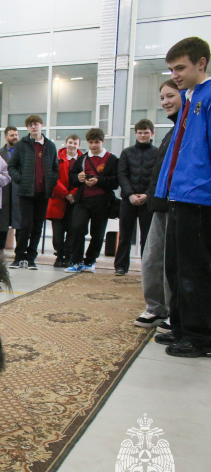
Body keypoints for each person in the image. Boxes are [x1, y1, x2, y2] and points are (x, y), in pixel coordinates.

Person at [153, 36, 211, 357]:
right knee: (175, 267)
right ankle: (181, 326)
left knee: (195, 269)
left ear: (201, 63)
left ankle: (200, 336)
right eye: (171, 69)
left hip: (199, 197)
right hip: (179, 195)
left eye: (180, 68)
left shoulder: (208, 97)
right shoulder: (190, 99)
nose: (174, 75)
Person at [136, 80, 180, 330]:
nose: (165, 102)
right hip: (160, 204)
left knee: (174, 262)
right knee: (152, 258)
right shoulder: (172, 132)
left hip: (180, 204)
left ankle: (176, 311)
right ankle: (156, 308)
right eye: (162, 97)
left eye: (170, 96)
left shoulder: (191, 127)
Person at [7, 115, 59, 270]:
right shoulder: (21, 145)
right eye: (30, 125)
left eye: (36, 124)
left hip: (43, 193)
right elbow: (12, 166)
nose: (33, 127)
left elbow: (55, 168)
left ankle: (31, 258)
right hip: (26, 192)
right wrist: (20, 179)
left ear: (41, 125)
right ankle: (19, 257)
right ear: (27, 128)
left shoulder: (50, 146)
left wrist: (51, 181)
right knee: (25, 225)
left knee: (37, 226)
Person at [65, 128, 119, 273]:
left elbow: (115, 182)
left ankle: (90, 261)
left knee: (98, 232)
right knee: (77, 228)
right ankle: (76, 261)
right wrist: (78, 178)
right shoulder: (82, 159)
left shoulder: (112, 159)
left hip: (101, 201)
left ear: (103, 142)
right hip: (82, 200)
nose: (94, 145)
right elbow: (71, 178)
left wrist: (98, 181)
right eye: (91, 142)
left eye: (96, 142)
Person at [114, 119, 159, 276]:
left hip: (148, 200)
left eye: (146, 132)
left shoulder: (158, 153)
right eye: (140, 133)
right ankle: (120, 267)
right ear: (135, 134)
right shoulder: (127, 153)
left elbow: (157, 177)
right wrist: (130, 194)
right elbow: (122, 175)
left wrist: (147, 194)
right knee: (125, 235)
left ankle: (147, 268)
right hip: (129, 200)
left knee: (147, 237)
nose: (142, 135)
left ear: (152, 133)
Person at [46, 134, 82, 268]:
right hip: (58, 200)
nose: (72, 145)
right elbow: (53, 178)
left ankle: (69, 256)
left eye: (75, 143)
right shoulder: (56, 159)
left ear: (78, 145)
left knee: (72, 230)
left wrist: (73, 194)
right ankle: (59, 255)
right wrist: (66, 194)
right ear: (66, 143)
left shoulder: (83, 161)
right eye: (70, 142)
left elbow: (82, 181)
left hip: (75, 202)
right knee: (57, 233)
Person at [0, 126, 19, 254]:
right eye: (12, 135)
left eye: (16, 135)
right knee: (2, 221)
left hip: (18, 190)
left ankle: (20, 250)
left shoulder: (23, 152)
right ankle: (0, 247)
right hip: (3, 191)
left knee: (19, 221)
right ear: (6, 137)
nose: (15, 137)